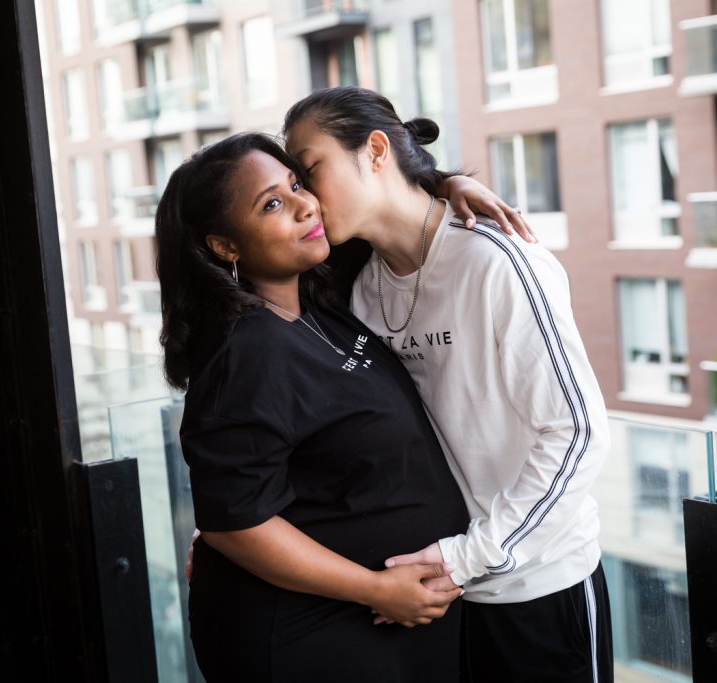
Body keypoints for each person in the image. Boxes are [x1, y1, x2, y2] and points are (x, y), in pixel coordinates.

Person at [282, 87, 614, 683]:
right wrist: (235, 519)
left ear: (376, 150)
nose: (303, 198)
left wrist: (467, 560)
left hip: (536, 590)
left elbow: (579, 431)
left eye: (309, 171)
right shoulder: (362, 290)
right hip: (437, 600)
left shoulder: (496, 262)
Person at [156, 133, 474, 682]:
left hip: (373, 625)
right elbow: (236, 524)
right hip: (311, 632)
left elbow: (386, 198)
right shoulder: (248, 349)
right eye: (272, 204)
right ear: (225, 246)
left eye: (298, 184)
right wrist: (375, 587)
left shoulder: (313, 299)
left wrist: (449, 184)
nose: (305, 205)